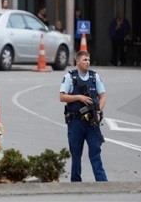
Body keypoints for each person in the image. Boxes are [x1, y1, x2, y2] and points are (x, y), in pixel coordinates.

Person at [59, 50, 107, 182]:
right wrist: (78, 97)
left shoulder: (94, 77)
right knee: (76, 154)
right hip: (76, 122)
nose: (87, 62)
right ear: (77, 61)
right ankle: (76, 182)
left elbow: (102, 96)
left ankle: (102, 182)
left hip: (92, 122)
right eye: (85, 60)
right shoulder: (70, 77)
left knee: (95, 152)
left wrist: (99, 110)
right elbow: (62, 97)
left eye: (89, 60)